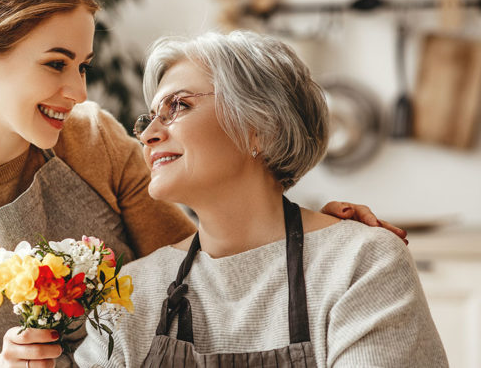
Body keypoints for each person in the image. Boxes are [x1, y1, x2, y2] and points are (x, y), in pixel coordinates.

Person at [0, 0, 405, 367]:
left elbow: (205, 266)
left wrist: (317, 236)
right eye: (56, 64)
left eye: (82, 65)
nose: (77, 90)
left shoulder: (92, 140)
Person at [74, 30, 447, 367]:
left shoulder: (360, 264)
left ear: (260, 129)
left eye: (179, 106)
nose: (149, 134)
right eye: (150, 118)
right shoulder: (131, 292)